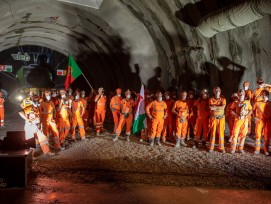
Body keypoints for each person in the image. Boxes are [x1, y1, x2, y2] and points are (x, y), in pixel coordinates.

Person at [229, 89, 252, 154]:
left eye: (242, 94)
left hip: (245, 120)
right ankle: (233, 148)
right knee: (235, 134)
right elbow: (231, 111)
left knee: (243, 135)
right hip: (238, 120)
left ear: (244, 95)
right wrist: (236, 115)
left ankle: (240, 148)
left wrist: (246, 115)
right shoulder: (235, 102)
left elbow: (251, 110)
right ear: (238, 95)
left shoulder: (247, 102)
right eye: (240, 94)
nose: (241, 95)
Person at [253, 90, 271, 155]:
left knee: (267, 136)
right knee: (258, 135)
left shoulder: (270, 104)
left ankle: (266, 150)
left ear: (267, 96)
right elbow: (252, 111)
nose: (263, 96)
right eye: (262, 95)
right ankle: (257, 149)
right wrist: (255, 117)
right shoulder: (257, 103)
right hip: (259, 120)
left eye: (265, 95)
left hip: (268, 121)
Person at [209, 87, 226, 153]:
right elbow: (210, 108)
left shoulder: (223, 99)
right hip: (214, 118)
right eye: (215, 91)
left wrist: (215, 107)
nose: (217, 92)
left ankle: (221, 147)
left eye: (218, 90)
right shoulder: (211, 99)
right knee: (213, 132)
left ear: (220, 91)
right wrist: (219, 107)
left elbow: (223, 107)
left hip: (221, 118)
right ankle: (211, 147)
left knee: (221, 133)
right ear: (214, 92)